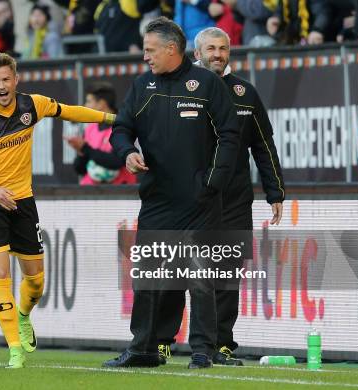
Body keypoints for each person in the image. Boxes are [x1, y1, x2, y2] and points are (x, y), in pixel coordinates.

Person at [0, 52, 116, 368]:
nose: (1, 86)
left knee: (36, 282)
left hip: (23, 201)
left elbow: (69, 112)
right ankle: (14, 349)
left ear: (16, 79)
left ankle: (24, 315)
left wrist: (111, 119)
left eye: (6, 79)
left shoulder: (31, 105)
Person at [103, 17, 240, 369]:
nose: (146, 57)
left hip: (200, 202)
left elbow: (230, 134)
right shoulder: (142, 85)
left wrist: (213, 181)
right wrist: (127, 153)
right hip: (157, 200)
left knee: (198, 278)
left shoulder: (208, 84)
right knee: (148, 277)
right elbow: (120, 128)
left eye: (150, 50)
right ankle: (143, 349)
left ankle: (202, 351)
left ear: (171, 49)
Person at [155, 26, 286, 367]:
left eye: (223, 48)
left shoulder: (245, 93)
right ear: (195, 54)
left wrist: (276, 192)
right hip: (188, 199)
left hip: (233, 200)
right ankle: (161, 340)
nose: (218, 54)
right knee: (175, 269)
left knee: (225, 274)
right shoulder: (177, 87)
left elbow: (263, 146)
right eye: (211, 48)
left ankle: (221, 345)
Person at [66, 82, 137, 185]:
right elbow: (79, 169)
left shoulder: (122, 126)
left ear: (101, 104)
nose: (86, 106)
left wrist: (85, 148)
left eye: (89, 102)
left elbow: (117, 162)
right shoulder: (89, 129)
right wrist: (81, 151)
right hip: (93, 193)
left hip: (121, 193)